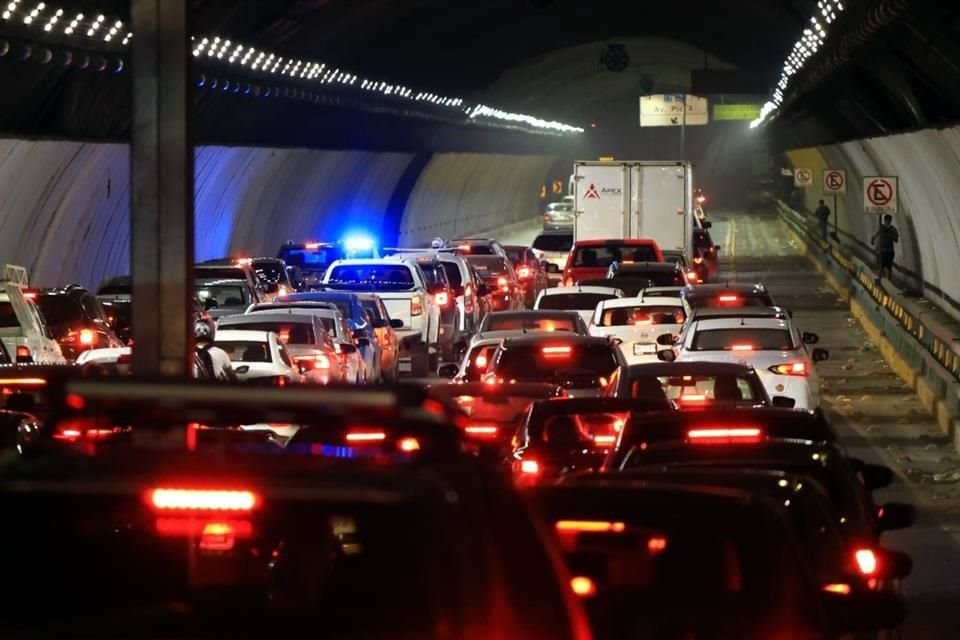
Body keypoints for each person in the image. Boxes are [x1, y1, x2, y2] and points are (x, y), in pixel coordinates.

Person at [871, 214, 900, 280]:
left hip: (886, 251)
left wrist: (873, 240)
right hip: (885, 251)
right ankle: (884, 279)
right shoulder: (886, 228)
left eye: (887, 220)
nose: (886, 221)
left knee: (886, 266)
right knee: (885, 266)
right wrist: (873, 240)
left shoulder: (889, 229)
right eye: (886, 220)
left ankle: (885, 279)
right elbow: (896, 239)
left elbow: (896, 239)